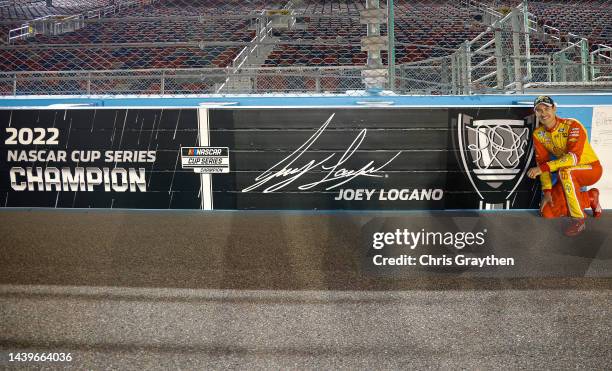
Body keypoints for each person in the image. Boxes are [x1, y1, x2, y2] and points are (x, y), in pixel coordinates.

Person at [527, 95, 603, 236]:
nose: (543, 113)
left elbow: (573, 158)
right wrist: (547, 191)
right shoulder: (539, 134)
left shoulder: (572, 125)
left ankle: (578, 220)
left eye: (546, 108)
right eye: (539, 110)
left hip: (591, 169)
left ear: (554, 108)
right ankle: (591, 197)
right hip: (567, 174)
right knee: (547, 212)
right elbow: (542, 162)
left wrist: (542, 168)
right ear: (535, 113)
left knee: (565, 171)